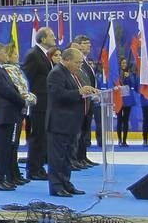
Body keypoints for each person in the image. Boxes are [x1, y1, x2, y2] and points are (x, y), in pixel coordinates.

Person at [47, 47, 98, 198]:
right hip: (59, 123)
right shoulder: (56, 73)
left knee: (68, 156)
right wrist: (79, 92)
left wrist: (85, 90)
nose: (79, 65)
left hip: (72, 122)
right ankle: (56, 186)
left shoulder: (72, 73)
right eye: (77, 62)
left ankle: (66, 183)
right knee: (58, 157)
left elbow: (73, 92)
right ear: (67, 60)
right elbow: (57, 95)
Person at [0, 42, 30, 190]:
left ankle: (3, 177)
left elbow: (12, 89)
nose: (7, 55)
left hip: (8, 114)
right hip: (3, 115)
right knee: (1, 149)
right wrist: (23, 100)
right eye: (4, 53)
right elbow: (7, 91)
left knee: (6, 149)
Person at [21, 27, 55, 180]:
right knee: (38, 136)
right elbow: (27, 78)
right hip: (39, 102)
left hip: (46, 102)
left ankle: (39, 167)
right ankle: (33, 169)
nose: (54, 38)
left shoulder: (44, 55)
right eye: (52, 36)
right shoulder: (33, 55)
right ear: (43, 39)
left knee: (43, 137)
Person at [70, 35, 98, 169]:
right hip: (80, 101)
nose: (88, 46)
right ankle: (75, 158)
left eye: (89, 43)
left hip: (88, 101)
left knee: (85, 131)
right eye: (85, 43)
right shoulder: (77, 63)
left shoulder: (86, 62)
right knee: (78, 132)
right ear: (77, 45)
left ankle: (82, 156)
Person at [116, 56, 136, 147]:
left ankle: (124, 140)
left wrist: (129, 77)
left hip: (127, 99)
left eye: (125, 63)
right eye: (122, 63)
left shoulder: (130, 73)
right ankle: (119, 140)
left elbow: (133, 84)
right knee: (119, 120)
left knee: (126, 120)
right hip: (119, 99)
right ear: (119, 65)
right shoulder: (116, 74)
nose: (124, 65)